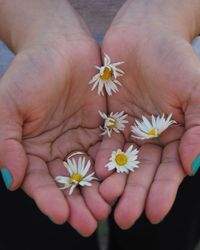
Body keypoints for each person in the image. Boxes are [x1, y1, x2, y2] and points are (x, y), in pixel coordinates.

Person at [0, 0, 200, 249]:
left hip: (169, 93)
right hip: (34, 113)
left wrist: (170, 13)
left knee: (162, 236)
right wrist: (32, 27)